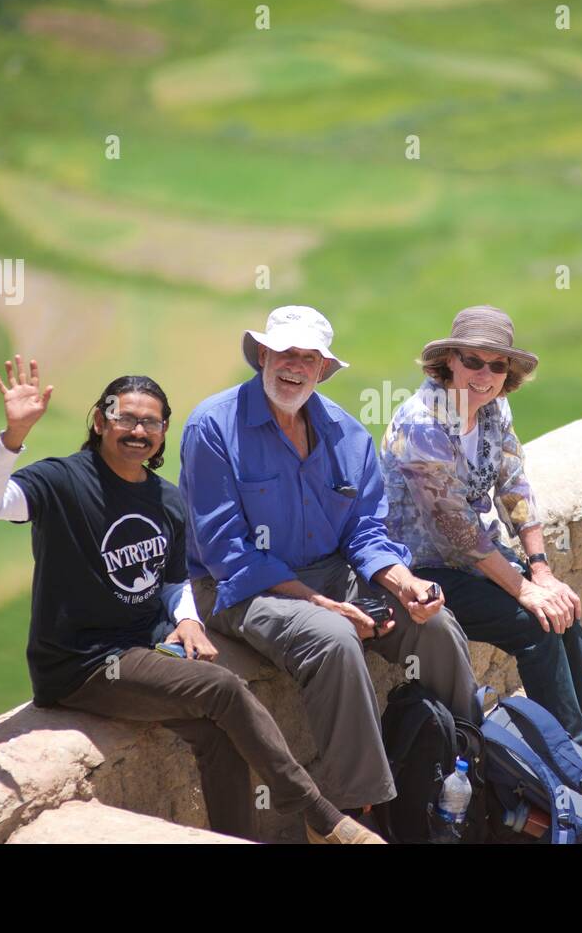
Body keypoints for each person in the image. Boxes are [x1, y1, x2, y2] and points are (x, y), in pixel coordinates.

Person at [0, 355, 381, 843]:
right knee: (221, 689)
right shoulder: (63, 481)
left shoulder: (165, 499)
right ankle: (320, 816)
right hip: (83, 663)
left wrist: (189, 622)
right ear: (99, 422)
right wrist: (13, 436)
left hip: (144, 648)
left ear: (163, 432)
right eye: (125, 418)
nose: (138, 431)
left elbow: (174, 580)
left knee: (218, 734)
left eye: (151, 422)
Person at [179, 306, 479, 816]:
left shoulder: (348, 435)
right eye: (285, 353)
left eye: (308, 357)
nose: (294, 366)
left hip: (328, 576)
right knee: (334, 639)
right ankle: (354, 815)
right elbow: (226, 551)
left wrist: (405, 582)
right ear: (263, 355)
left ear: (322, 369)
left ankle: (467, 773)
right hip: (242, 588)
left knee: (436, 625)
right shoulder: (212, 427)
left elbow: (366, 532)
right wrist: (321, 604)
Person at [379, 305, 582, 792]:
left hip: (475, 559)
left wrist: (541, 571)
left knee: (562, 608)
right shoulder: (421, 424)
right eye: (473, 361)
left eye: (496, 365)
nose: (483, 375)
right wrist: (525, 591)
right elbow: (455, 529)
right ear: (449, 362)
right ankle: (573, 760)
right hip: (421, 568)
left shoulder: (493, 410)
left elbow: (515, 487)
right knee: (534, 624)